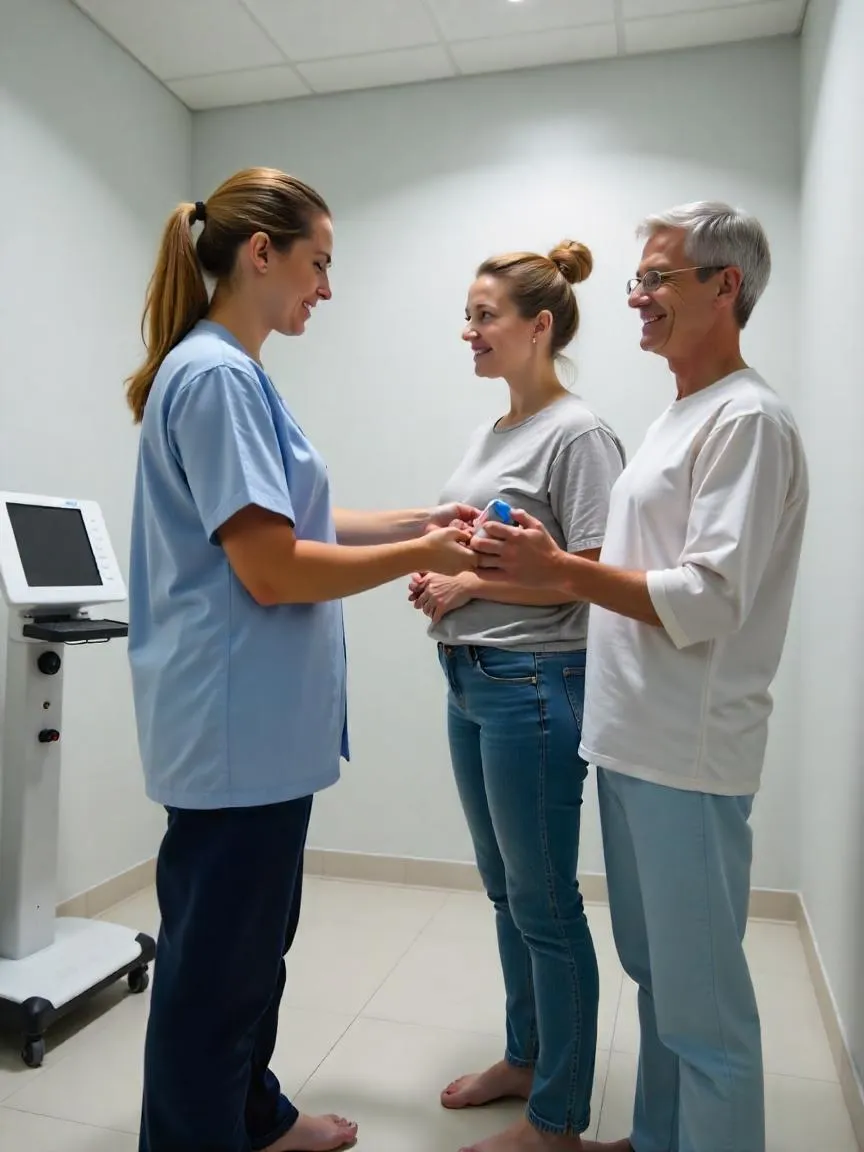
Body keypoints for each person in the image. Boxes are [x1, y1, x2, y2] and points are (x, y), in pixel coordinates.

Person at [125, 167, 479, 1152]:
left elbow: (296, 518)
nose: (326, 287)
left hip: (256, 733)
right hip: (234, 733)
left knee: (249, 957)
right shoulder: (216, 377)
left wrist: (420, 516)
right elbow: (273, 570)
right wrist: (425, 554)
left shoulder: (233, 374)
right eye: (318, 264)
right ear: (260, 253)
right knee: (214, 976)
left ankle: (253, 1116)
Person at [470, 203, 809, 1152]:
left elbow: (707, 596)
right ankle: (661, 1139)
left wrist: (558, 572)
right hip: (628, 739)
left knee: (707, 1016)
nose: (636, 297)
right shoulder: (680, 415)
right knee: (659, 979)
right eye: (640, 280)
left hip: (688, 754)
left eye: (658, 278)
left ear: (725, 287)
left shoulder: (749, 421)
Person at [409, 243, 625, 1152]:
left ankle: (558, 1121)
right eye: (468, 314)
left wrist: (471, 591)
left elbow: (592, 577)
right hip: (471, 679)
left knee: (544, 903)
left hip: (535, 684)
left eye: (484, 315)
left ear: (540, 326)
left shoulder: (579, 434)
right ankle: (528, 1057)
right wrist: (443, 575)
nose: (469, 330)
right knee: (507, 894)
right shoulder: (494, 433)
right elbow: (482, 549)